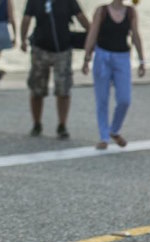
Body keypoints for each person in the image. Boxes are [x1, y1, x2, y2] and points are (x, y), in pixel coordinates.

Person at [82, 0, 145, 149]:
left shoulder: (130, 12)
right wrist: (86, 57)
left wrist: (142, 59)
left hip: (122, 58)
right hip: (102, 56)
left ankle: (114, 130)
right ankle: (104, 137)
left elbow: (135, 35)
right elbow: (93, 33)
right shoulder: (102, 11)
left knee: (125, 99)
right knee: (102, 99)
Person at [21, 0, 89, 139]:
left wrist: (93, 34)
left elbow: (81, 17)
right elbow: (26, 18)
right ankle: (36, 123)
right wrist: (22, 39)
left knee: (63, 89)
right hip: (40, 48)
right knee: (37, 89)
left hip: (62, 49)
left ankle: (62, 125)